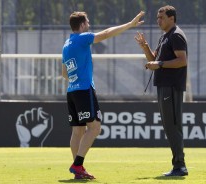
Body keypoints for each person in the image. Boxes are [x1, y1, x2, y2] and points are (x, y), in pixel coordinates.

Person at [62, 11, 145, 179]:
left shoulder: (66, 44)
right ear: (83, 25)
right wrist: (129, 24)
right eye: (88, 22)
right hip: (84, 90)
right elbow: (106, 34)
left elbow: (64, 73)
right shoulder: (82, 38)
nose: (89, 25)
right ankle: (77, 165)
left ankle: (78, 170)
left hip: (72, 90)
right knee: (95, 128)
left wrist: (77, 76)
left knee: (77, 131)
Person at [134, 5, 188, 177]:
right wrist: (145, 47)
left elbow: (182, 61)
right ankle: (178, 165)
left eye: (162, 17)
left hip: (172, 87)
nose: (159, 21)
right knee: (169, 126)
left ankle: (179, 166)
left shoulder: (176, 35)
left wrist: (161, 64)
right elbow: (154, 60)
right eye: (157, 18)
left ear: (171, 18)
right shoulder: (165, 37)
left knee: (173, 126)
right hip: (164, 86)